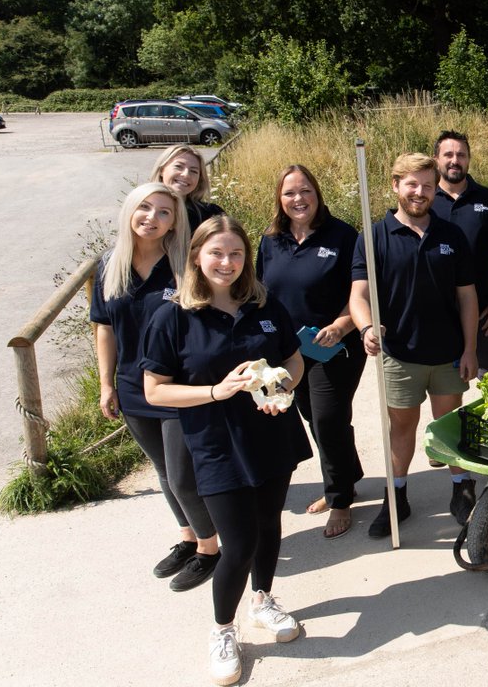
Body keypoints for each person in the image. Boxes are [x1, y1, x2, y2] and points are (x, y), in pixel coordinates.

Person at [142, 215, 312, 686]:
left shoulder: (263, 302)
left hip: (271, 434)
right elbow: (155, 391)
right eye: (217, 252)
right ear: (197, 255)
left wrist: (283, 389)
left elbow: (292, 359)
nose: (227, 262)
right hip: (216, 444)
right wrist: (217, 391)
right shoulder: (173, 315)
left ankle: (262, 600)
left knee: (268, 525)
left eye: (236, 253)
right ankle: (222, 630)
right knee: (237, 544)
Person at [92, 182, 220, 592]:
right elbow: (105, 329)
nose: (153, 218)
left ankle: (210, 549)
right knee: (164, 472)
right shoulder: (108, 266)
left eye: (164, 212)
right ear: (130, 211)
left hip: (175, 387)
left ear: (174, 222)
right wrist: (105, 384)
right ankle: (188, 537)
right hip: (131, 387)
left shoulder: (184, 264)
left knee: (183, 476)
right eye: (145, 208)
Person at [349, 153, 479, 537]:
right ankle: (397, 497)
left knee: (447, 426)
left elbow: (468, 297)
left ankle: (461, 487)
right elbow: (358, 295)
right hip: (399, 355)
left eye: (426, 184)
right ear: (395, 185)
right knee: (401, 428)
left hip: (448, 355)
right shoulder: (373, 237)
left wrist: (470, 349)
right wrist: (366, 327)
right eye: (411, 184)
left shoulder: (450, 235)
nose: (419, 192)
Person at [256, 164, 367, 540]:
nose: (298, 199)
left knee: (328, 420)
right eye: (289, 193)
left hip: (336, 348)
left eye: (305, 191)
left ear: (317, 193)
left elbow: (362, 293)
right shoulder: (271, 241)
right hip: (289, 353)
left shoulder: (343, 236)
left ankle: (339, 500)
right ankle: (348, 477)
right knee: (310, 414)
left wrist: (342, 325)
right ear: (279, 199)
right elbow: (260, 295)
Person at [429, 130, 488, 375]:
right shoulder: (426, 200)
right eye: (448, 154)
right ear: (436, 159)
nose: (455, 160)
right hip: (438, 313)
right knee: (445, 388)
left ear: (469, 159)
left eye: (461, 155)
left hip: (483, 310)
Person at [150, 144, 225, 231]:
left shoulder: (210, 214)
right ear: (161, 170)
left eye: (193, 171)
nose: (186, 174)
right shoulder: (142, 209)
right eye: (178, 166)